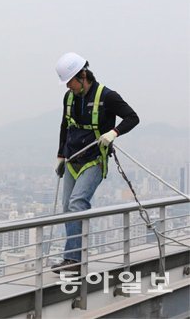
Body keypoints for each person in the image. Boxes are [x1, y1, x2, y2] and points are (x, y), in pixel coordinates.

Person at [52, 52, 139, 274]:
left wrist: (114, 132)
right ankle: (72, 258)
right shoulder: (69, 98)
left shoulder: (107, 96)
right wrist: (61, 155)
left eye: (70, 82)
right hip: (73, 158)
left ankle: (73, 261)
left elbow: (132, 117)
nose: (68, 87)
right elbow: (65, 125)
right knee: (67, 208)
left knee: (78, 203)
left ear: (82, 75)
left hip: (94, 160)